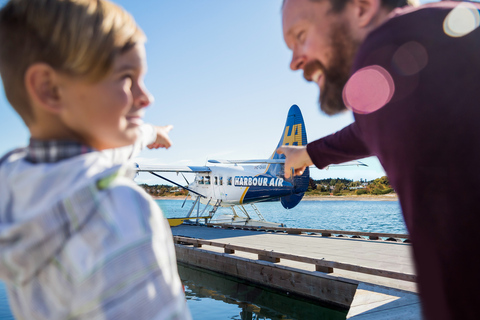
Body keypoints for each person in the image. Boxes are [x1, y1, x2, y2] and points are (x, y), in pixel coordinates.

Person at [279, 0, 480, 319]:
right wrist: (308, 153)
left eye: (301, 35)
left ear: (361, 7)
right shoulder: (422, 55)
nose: (294, 62)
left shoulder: (386, 47)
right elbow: (369, 128)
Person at [0, 0, 191, 319]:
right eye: (127, 78)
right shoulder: (119, 211)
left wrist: (150, 132)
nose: (147, 97)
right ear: (50, 89)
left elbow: (99, 159)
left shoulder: (14, 182)